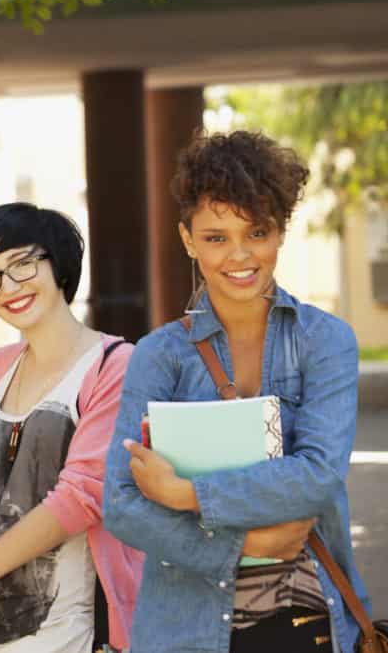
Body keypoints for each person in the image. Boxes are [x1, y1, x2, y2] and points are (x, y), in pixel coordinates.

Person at [103, 130, 371, 653]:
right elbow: (121, 504)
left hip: (305, 621)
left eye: (257, 232)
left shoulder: (326, 341)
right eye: (216, 237)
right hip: (186, 630)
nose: (240, 256)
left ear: (280, 232)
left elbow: (316, 478)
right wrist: (247, 543)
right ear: (187, 240)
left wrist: (186, 495)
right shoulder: (159, 356)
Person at [0, 203, 143, 653]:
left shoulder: (116, 366)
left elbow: (81, 499)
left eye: (23, 264)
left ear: (57, 263)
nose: (9, 287)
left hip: (70, 638)